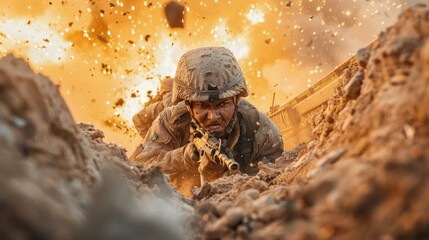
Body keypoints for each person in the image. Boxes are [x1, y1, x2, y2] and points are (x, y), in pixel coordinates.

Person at [133, 47, 283, 197]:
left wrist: (219, 175)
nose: (213, 116)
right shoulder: (171, 121)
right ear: (188, 105)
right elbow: (141, 170)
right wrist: (184, 157)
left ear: (236, 100)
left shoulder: (260, 130)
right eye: (202, 105)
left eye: (223, 104)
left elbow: (270, 184)